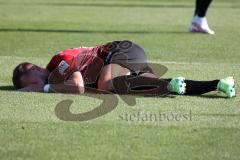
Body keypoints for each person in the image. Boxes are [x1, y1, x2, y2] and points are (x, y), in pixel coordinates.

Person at [12, 40, 235, 98]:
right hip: (125, 60)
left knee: (106, 86)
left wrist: (43, 89)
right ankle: (218, 83)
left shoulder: (58, 64)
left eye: (29, 82)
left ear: (30, 70)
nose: (33, 85)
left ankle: (171, 85)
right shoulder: (56, 71)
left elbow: (78, 86)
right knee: (161, 88)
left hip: (120, 51)